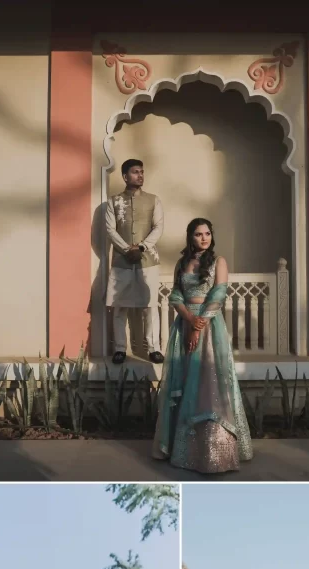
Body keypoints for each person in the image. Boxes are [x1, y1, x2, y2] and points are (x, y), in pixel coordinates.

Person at [152, 218, 253, 473]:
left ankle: (213, 452)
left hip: (209, 327)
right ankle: (181, 447)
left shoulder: (218, 262)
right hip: (185, 324)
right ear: (190, 236)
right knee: (185, 381)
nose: (204, 238)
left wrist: (199, 325)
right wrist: (189, 321)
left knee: (209, 383)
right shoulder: (182, 263)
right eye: (198, 234)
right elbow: (175, 295)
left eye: (207, 233)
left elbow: (218, 294)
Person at [105, 158, 164, 365]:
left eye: (142, 171)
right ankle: (120, 348)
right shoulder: (113, 201)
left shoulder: (153, 200)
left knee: (149, 305)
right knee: (119, 305)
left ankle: (154, 348)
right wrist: (126, 249)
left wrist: (140, 248)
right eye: (135, 172)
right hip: (121, 261)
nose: (140, 175)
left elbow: (158, 227)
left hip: (147, 260)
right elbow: (110, 229)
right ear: (124, 176)